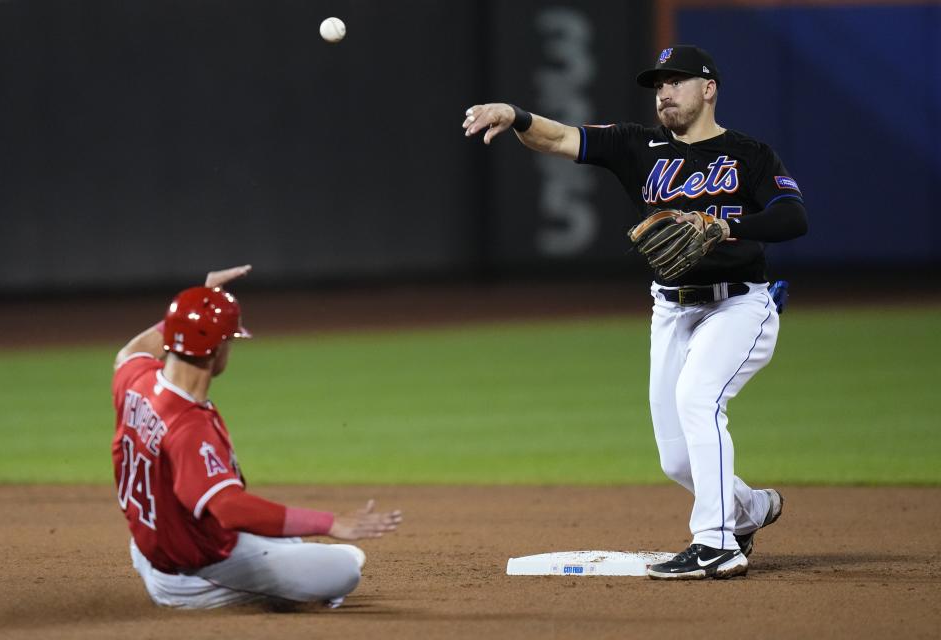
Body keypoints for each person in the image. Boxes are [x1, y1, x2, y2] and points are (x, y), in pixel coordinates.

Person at [462, 45, 806, 579]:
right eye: (658, 84)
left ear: (708, 88)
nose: (664, 92)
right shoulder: (635, 145)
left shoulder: (749, 155)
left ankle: (717, 545)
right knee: (675, 459)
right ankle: (750, 509)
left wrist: (726, 226)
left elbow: (792, 218)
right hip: (669, 311)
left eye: (677, 81)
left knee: (698, 399)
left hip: (739, 304)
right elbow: (556, 137)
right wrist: (516, 116)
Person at [112, 264, 402, 607]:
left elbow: (128, 352)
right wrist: (331, 522)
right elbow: (230, 508)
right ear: (217, 350)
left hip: (154, 545)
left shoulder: (137, 380)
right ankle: (235, 597)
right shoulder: (188, 427)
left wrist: (199, 304)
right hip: (188, 574)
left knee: (295, 545)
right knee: (343, 569)